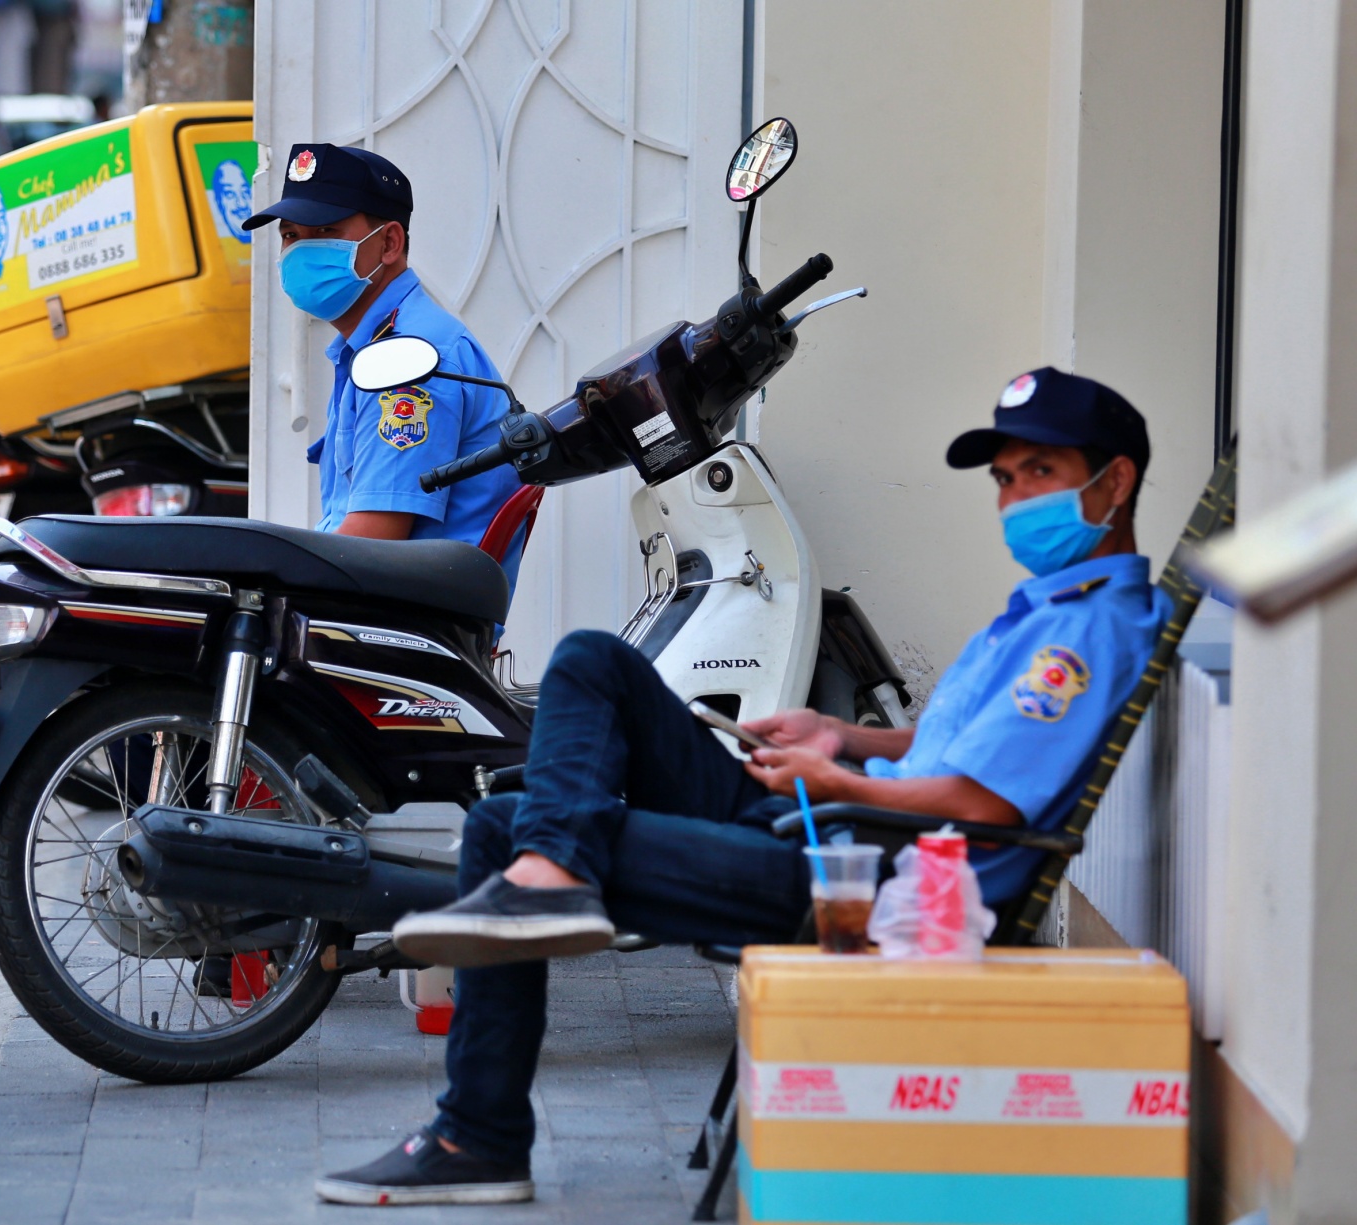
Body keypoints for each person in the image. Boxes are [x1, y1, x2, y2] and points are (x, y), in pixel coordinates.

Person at [314, 367, 1170, 1206]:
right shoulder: (1049, 608)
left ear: (1115, 480)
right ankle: (554, 876)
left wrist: (837, 778)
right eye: (1007, 478)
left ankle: (479, 1132)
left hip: (866, 884)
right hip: (831, 828)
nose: (1017, 498)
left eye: (1041, 474)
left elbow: (986, 805)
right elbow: (957, 752)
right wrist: (843, 737)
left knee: (508, 825)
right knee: (592, 662)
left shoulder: (1085, 634)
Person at [242, 145, 527, 583]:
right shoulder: (375, 347)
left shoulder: (410, 357)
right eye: (291, 236)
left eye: (324, 231)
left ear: (389, 242)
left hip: (396, 627)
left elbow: (374, 541)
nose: (300, 251)